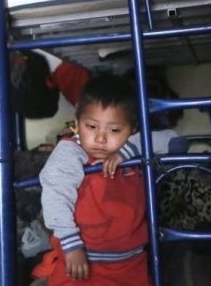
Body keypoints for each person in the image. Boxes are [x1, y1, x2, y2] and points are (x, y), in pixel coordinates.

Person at [35, 74, 150, 285]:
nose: (100, 138)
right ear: (78, 124)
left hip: (131, 263)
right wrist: (71, 244)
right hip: (79, 260)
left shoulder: (134, 152)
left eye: (114, 130)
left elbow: (175, 141)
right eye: (91, 127)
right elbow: (56, 195)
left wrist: (129, 150)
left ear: (133, 131)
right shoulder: (71, 153)